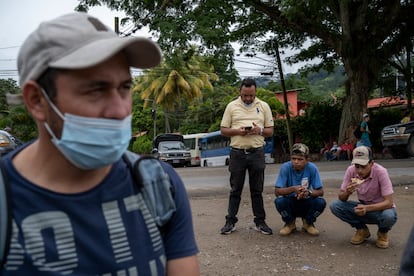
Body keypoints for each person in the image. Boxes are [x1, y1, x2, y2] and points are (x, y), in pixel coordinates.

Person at [1, 12, 199, 275]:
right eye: (96, 90)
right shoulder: (7, 200)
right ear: (37, 100)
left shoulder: (159, 184)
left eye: (125, 87)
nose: (120, 110)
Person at [220, 78, 274, 235]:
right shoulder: (231, 106)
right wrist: (238, 131)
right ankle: (230, 221)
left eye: (251, 95)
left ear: (255, 92)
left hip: (257, 152)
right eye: (245, 95)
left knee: (257, 189)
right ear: (240, 92)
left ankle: (260, 221)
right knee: (235, 189)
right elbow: (224, 130)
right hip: (237, 152)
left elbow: (270, 131)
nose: (248, 99)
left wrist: (260, 131)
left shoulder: (263, 106)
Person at [329, 146, 397, 249]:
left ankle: (382, 233)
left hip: (380, 210)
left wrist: (367, 208)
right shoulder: (351, 170)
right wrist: (347, 192)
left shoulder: (381, 172)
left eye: (363, 166)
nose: (359, 171)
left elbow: (389, 203)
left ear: (371, 163)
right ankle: (361, 230)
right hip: (363, 207)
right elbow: (341, 198)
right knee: (335, 205)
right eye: (357, 166)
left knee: (389, 216)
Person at [274, 143, 326, 236]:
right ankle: (290, 223)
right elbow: (277, 191)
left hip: (306, 200)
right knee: (279, 201)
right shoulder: (285, 167)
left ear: (307, 160)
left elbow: (321, 191)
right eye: (293, 158)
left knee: (321, 202)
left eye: (300, 159)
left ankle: (308, 223)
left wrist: (308, 192)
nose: (296, 162)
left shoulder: (312, 168)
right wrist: (293, 189)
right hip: (290, 201)